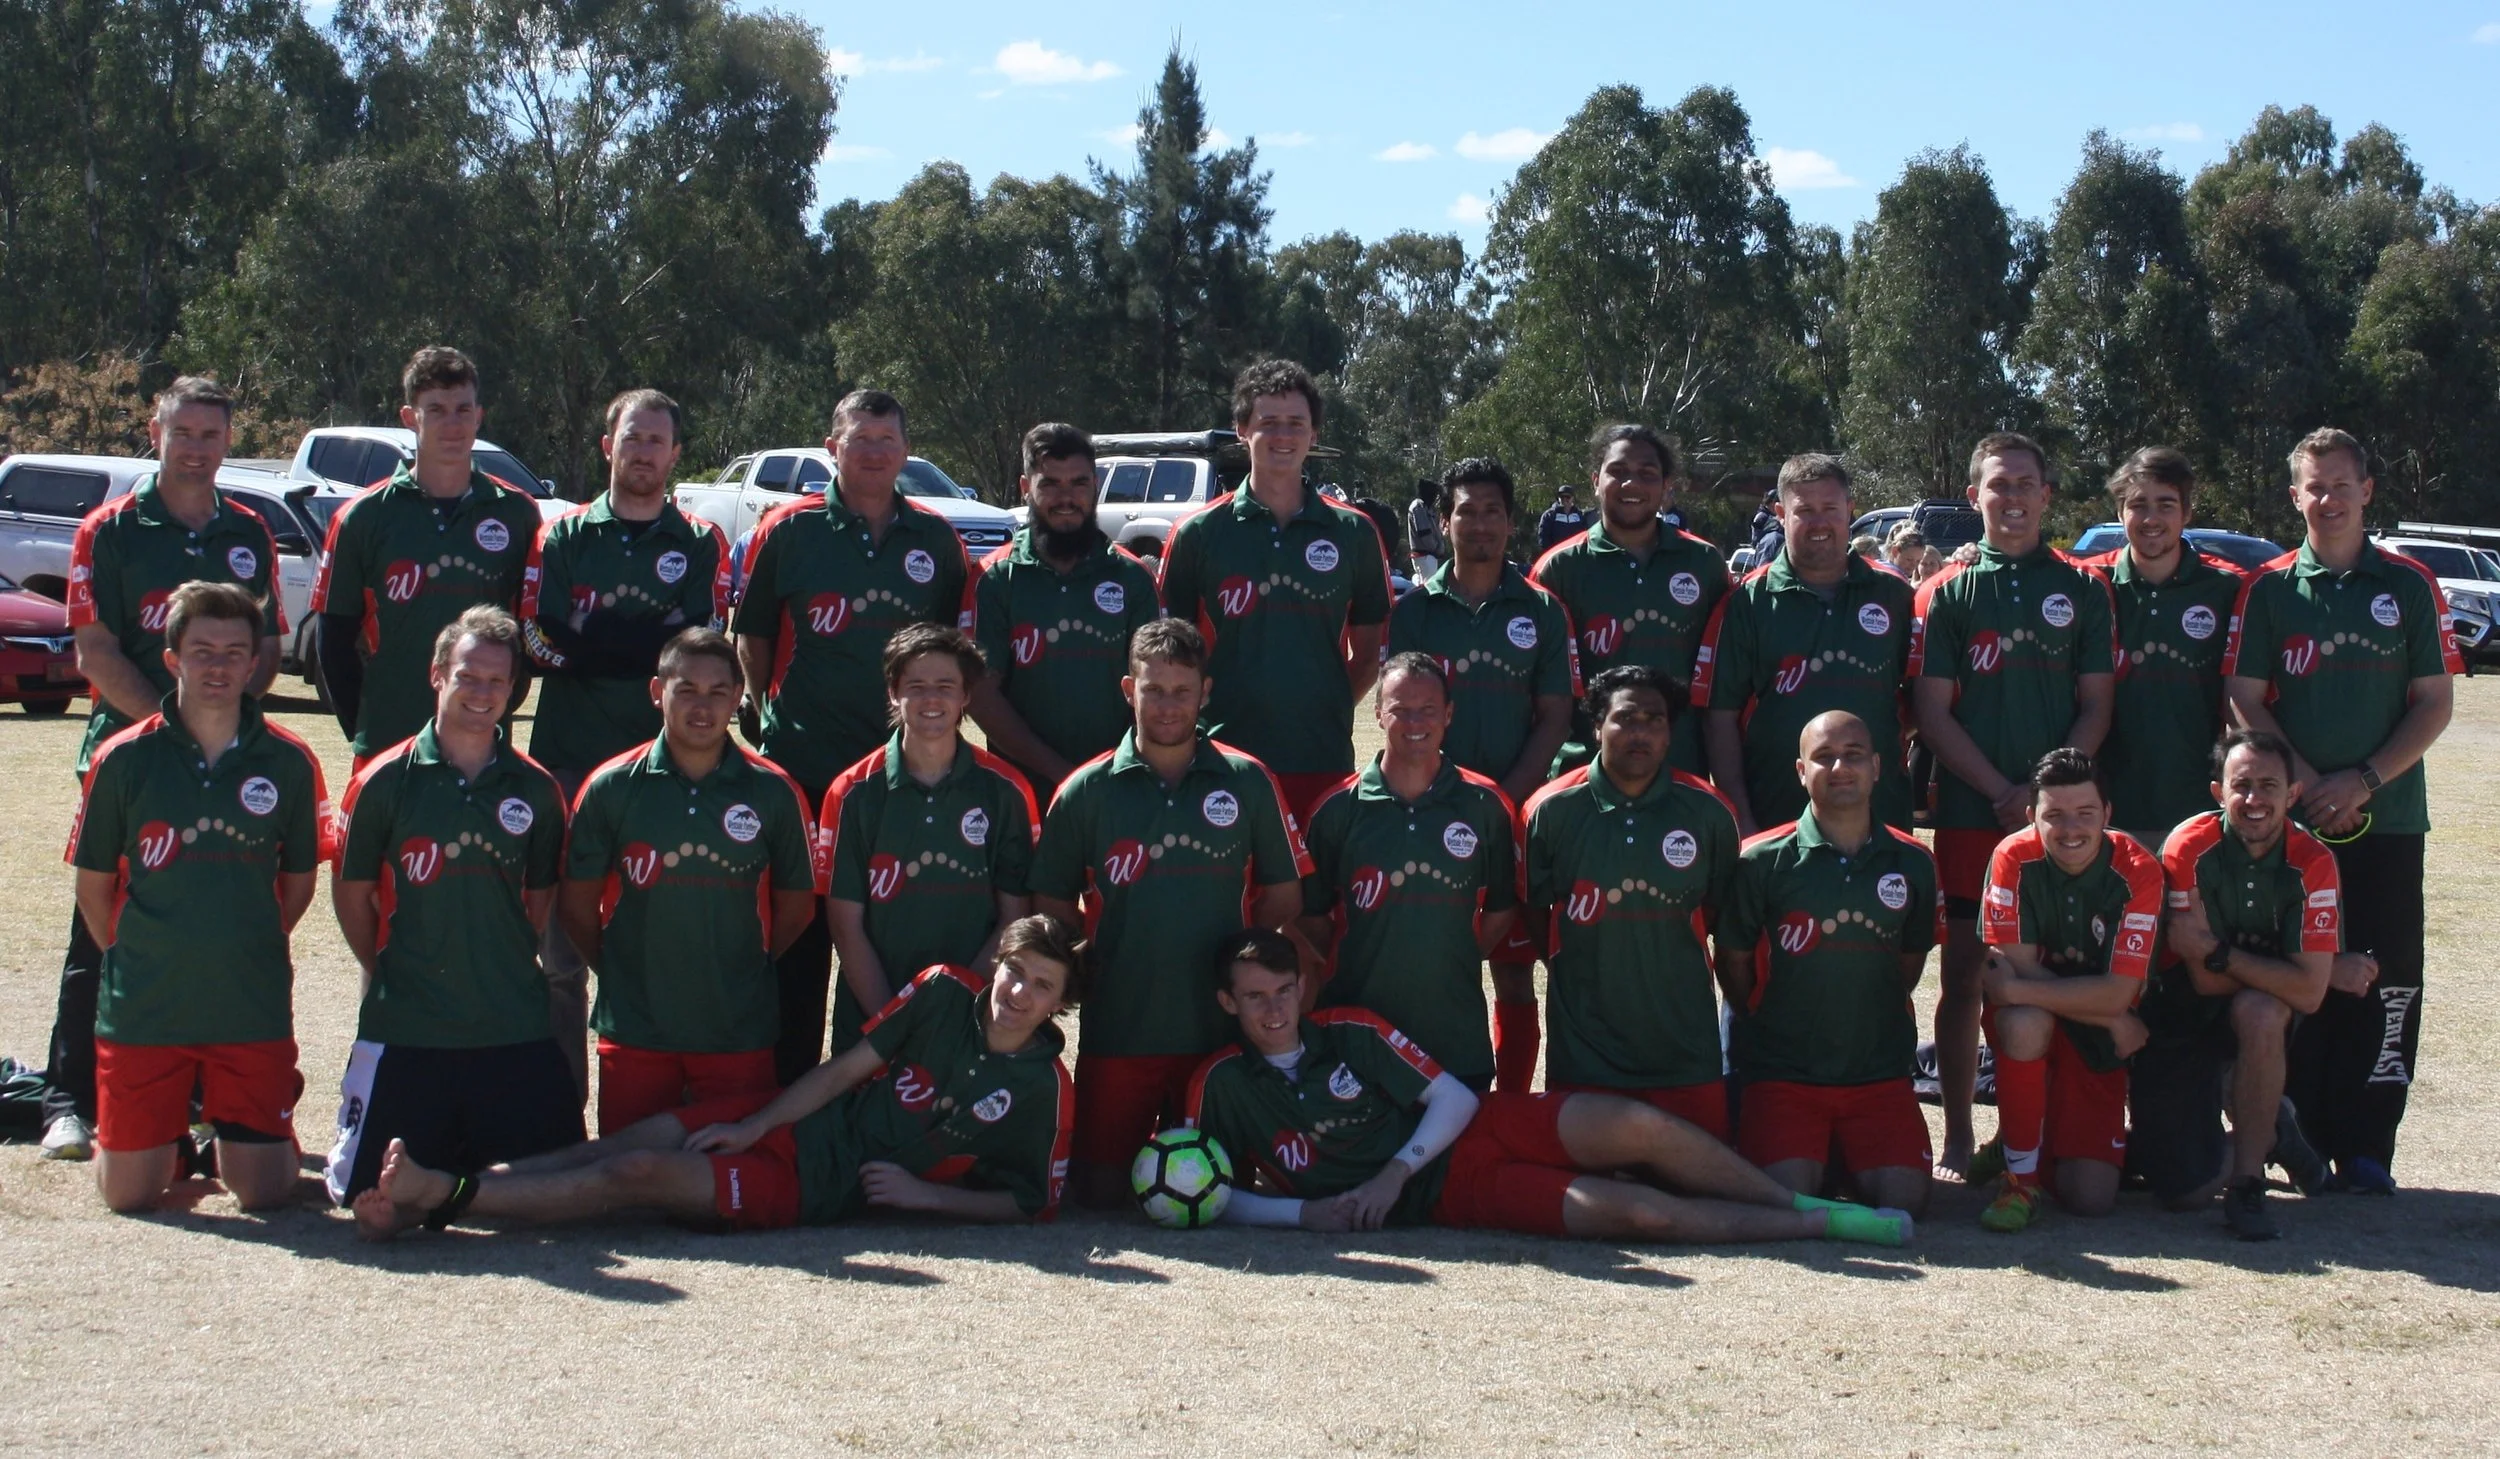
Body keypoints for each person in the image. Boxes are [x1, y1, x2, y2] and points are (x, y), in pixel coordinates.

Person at [349, 918, 1082, 1238]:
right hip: (794, 1119)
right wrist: (758, 1124)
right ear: (997, 966)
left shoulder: (1045, 1086)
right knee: (632, 1138)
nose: (1019, 991)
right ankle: (421, 1201)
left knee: (635, 1172)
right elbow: (840, 1072)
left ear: (1059, 1004)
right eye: (1015, 971)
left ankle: (441, 1193)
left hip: (815, 1185)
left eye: (1041, 985)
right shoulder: (944, 991)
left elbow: (1032, 1205)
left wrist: (926, 1197)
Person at [1187, 931, 1910, 1245]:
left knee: (1639, 1125)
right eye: (1254, 997)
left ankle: (1795, 1198)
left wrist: (1390, 1171)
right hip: (1453, 1197)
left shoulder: (1348, 1028)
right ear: (1227, 1003)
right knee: (1644, 1217)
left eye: (1283, 990)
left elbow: (1455, 1099)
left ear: (1303, 986)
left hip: (1478, 1130)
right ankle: (1817, 1224)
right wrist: (1303, 1217)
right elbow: (1207, 1189)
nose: (1275, 1008)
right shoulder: (1217, 1084)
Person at [44, 375, 285, 1162]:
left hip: (224, 759)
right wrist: (170, 726)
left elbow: (269, 646)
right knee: (104, 929)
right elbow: (97, 650)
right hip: (133, 757)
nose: (197, 448)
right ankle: (70, 1098)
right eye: (184, 432)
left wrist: (220, 722)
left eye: (212, 434)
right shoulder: (108, 530)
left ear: (227, 442)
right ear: (156, 431)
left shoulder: (250, 530)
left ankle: (201, 1102)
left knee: (209, 921)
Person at [2223, 427, 2457, 1194]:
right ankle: (2303, 1136)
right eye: (2313, 487)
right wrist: (2303, 779)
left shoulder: (2412, 585)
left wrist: (2362, 778)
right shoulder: (2270, 589)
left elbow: (2434, 701)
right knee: (2304, 974)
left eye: (2340, 485)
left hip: (2385, 822)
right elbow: (2245, 695)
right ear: (2294, 496)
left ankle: (2368, 1145)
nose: (2327, 500)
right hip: (2292, 824)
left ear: (2368, 492)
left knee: (2386, 982)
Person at [730, 389, 974, 1085]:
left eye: (887, 441)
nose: (873, 453)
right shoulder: (789, 529)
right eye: (859, 439)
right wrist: (762, 708)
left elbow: (951, 652)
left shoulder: (935, 539)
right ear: (832, 447)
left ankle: (879, 1095)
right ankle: (789, 1106)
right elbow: (751, 632)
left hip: (898, 780)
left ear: (905, 450)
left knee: (884, 940)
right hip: (805, 768)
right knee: (800, 949)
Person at [1029, 618, 1309, 1206]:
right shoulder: (1086, 790)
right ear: (1129, 689)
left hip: (1215, 1034)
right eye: (1153, 689)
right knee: (1099, 1194)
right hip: (1121, 1027)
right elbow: (1052, 909)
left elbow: (1284, 896)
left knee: (1219, 1190)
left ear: (1206, 691)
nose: (1167, 704)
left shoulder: (1247, 780)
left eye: (1182, 690)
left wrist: (1241, 969)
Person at [69, 582, 329, 1211]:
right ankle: (170, 1145)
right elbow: (94, 886)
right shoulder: (124, 759)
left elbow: (297, 883)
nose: (219, 666)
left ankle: (227, 1140)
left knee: (264, 1193)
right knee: (129, 1196)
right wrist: (140, 952)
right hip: (146, 1007)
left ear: (254, 663)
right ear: (172, 659)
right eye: (203, 650)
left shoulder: (289, 761)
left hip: (248, 1001)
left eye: (235, 652)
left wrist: (244, 938)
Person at [1910, 431, 2116, 1178]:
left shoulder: (2086, 588)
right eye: (1999, 484)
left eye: (2027, 483)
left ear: (2048, 495)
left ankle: (2046, 1133)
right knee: (1965, 975)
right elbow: (1933, 713)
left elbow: (2097, 704)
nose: (2014, 497)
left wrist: (2050, 798)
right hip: (1974, 815)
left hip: (2061, 822)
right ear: (1975, 496)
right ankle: (1961, 1134)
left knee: (2057, 973)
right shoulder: (1948, 592)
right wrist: (2001, 792)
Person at [324, 606, 577, 1206]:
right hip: (409, 1027)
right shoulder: (384, 781)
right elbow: (352, 898)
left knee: (550, 1193)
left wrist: (493, 966)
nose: (482, 692)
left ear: (514, 689)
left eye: (497, 681)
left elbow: (536, 909)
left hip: (511, 1027)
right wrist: (398, 969)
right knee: (367, 1196)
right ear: (437, 674)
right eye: (468, 675)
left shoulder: (536, 789)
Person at [521, 388, 731, 1099]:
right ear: (607, 445)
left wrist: (595, 637)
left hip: (667, 770)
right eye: (631, 438)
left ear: (675, 454)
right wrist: (641, 643)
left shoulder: (700, 542)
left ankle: (658, 1106)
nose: (643, 452)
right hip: (569, 762)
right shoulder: (564, 536)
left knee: (660, 941)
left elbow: (698, 650)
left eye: (657, 441)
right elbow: (538, 638)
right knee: (558, 959)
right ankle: (558, 1112)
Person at [558, 629, 817, 1135]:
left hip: (737, 1031)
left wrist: (744, 968)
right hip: (635, 1029)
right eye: (687, 690)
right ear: (658, 692)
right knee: (625, 1184)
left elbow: (797, 910)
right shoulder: (610, 787)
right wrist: (623, 972)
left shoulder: (774, 791)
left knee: (724, 1189)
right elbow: (575, 908)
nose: (703, 707)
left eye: (719, 692)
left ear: (739, 697)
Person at [1384, 457, 1576, 1089]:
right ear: (1444, 521)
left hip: (1511, 814)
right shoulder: (1414, 611)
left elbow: (1554, 716)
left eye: (1493, 510)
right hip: (1427, 812)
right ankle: (1429, 1098)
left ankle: (1512, 1105)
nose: (1480, 523)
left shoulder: (1543, 610)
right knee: (1433, 961)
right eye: (1466, 510)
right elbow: (1398, 714)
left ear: (1512, 520)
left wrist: (1503, 798)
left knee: (1516, 973)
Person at [1716, 711, 1940, 1217]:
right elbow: (1732, 965)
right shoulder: (1759, 861)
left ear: (1879, 766)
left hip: (1877, 1075)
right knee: (1790, 1199)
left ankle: (1845, 1154)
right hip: (1786, 1077)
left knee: (1909, 1201)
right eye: (1824, 757)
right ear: (1800, 770)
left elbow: (1908, 967)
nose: (1841, 767)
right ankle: (1819, 1154)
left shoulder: (1913, 862)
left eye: (1854, 755)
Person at [1158, 360, 1393, 823]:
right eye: (1268, 423)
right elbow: (1168, 654)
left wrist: (1321, 704)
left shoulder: (1354, 533)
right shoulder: (1199, 533)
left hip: (1321, 758)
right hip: (1221, 757)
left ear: (1314, 432)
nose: (1283, 436)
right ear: (1241, 429)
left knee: (1314, 892)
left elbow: (1369, 655)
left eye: (1296, 423)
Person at [1522, 665, 1740, 1137]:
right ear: (1596, 726)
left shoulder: (1708, 812)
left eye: (1654, 719)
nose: (1639, 732)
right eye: (1624, 718)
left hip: (1684, 1052)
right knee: (1602, 1197)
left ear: (1669, 733)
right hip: (1585, 1055)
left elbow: (1720, 912)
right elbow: (1535, 914)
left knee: (1698, 1193)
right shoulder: (1550, 811)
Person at [2139, 730, 2341, 1240]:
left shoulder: (2314, 861)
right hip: (2180, 1011)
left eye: (2269, 785)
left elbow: (2309, 994)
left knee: (2261, 1011)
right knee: (2180, 1192)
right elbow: (2204, 983)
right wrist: (2280, 970)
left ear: (2293, 795)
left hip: (2253, 1010)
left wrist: (2219, 950)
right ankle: (2271, 1130)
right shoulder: (2188, 845)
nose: (2254, 800)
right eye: (2242, 785)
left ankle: (2248, 1181)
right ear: (2217, 792)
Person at [1297, 654, 1522, 1091]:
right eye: (1400, 708)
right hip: (1356, 1036)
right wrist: (1362, 952)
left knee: (1458, 1158)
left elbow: (1500, 909)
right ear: (1378, 713)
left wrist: (1450, 954)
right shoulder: (1337, 809)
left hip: (1454, 1040)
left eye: (1428, 709)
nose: (1415, 721)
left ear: (1449, 714)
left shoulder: (1486, 805)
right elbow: (1308, 915)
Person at [314, 346, 542, 770]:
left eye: (462, 409)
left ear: (479, 416)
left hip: (483, 752)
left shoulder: (517, 512)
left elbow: (527, 638)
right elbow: (334, 641)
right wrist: (364, 729)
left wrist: (496, 706)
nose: (452, 424)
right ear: (409, 418)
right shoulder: (364, 516)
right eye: (435, 409)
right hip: (386, 744)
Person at [821, 624, 1039, 1053]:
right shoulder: (852, 792)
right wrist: (894, 1024)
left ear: (966, 696)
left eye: (946, 685)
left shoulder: (1007, 791)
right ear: (892, 693)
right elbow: (846, 930)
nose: (932, 699)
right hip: (871, 1023)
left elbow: (1012, 919)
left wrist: (957, 1010)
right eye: (916, 686)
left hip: (970, 1025)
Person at [1973, 749, 2163, 1232]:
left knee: (2090, 1199)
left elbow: (2117, 992)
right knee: (2020, 1020)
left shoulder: (2139, 869)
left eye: (2086, 813)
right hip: (2072, 1025)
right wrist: (2111, 1013)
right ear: (2030, 816)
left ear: (2108, 815)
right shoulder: (2011, 855)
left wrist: (2113, 1010)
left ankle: (2021, 1137)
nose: (2071, 828)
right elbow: (2010, 975)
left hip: (2099, 1042)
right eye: (2054, 815)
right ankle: (2020, 1181)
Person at [1695, 453, 1917, 838]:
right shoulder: (1748, 601)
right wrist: (1742, 820)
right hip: (1776, 821)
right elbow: (1720, 717)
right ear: (1781, 513)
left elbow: (1920, 701)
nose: (1819, 523)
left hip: (1883, 820)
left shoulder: (1894, 594)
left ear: (1850, 509)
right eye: (1805, 510)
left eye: (1830, 508)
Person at [968, 423, 1162, 800]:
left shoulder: (1133, 578)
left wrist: (1112, 772)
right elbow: (980, 695)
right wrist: (1063, 774)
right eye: (1050, 484)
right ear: (1026, 488)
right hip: (1021, 794)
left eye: (1078, 483)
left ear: (1095, 484)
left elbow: (1157, 691)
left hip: (1118, 788)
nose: (1066, 497)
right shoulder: (994, 578)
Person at [1530, 423, 1730, 776]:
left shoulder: (1705, 563)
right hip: (1585, 782)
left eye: (1647, 473)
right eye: (1617, 472)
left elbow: (1724, 686)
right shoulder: (1557, 569)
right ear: (1595, 481)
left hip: (1682, 774)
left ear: (1667, 485)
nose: (1631, 484)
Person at [2076, 448, 2248, 846]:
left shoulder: (2228, 588)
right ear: (2120, 512)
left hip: (2197, 807)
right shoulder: (2086, 584)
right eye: (2138, 505)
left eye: (2165, 505)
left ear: (2187, 512)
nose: (2151, 519)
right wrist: (1965, 558)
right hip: (2099, 808)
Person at [1407, 480, 1446, 579]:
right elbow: (1424, 532)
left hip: (1430, 556)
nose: (1435, 497)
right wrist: (1436, 548)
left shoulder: (1426, 507)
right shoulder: (1418, 506)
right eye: (1433, 493)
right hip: (1424, 555)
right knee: (1428, 587)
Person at [1537, 484, 1590, 553]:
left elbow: (1585, 535)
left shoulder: (1580, 515)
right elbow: (1543, 538)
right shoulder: (1549, 515)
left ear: (1572, 498)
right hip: (1556, 555)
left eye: (1567, 497)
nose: (1564, 499)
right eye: (1562, 497)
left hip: (1576, 555)